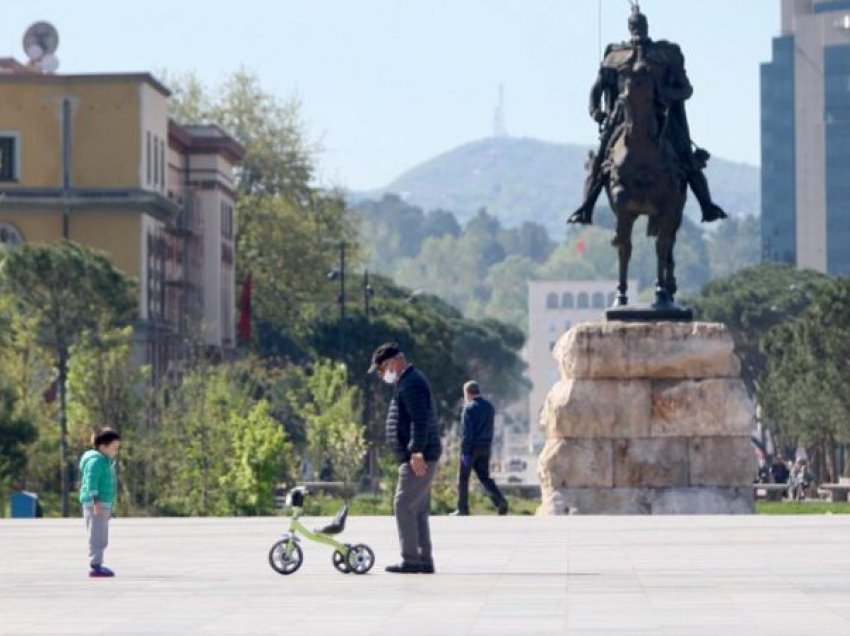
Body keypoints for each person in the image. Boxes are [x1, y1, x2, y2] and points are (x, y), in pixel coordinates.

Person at [568, 4, 727, 226]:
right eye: (634, 25)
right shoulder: (615, 55)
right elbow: (597, 88)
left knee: (687, 158)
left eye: (640, 25)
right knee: (600, 160)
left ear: (646, 26)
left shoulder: (666, 53)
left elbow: (686, 89)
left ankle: (707, 205)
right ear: (629, 27)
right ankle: (586, 208)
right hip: (622, 117)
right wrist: (596, 112)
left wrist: (664, 94)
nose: (637, 29)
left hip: (662, 116)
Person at [369, 342, 441, 574]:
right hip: (419, 454)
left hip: (419, 456)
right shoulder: (409, 381)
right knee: (417, 508)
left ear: (394, 361)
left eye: (381, 369)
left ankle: (411, 559)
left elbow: (420, 420)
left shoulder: (411, 383)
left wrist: (416, 451)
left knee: (402, 505)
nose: (381, 375)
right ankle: (423, 559)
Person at [451, 381, 508, 516]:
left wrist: (465, 452)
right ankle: (500, 501)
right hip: (485, 447)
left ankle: (462, 509)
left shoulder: (469, 408)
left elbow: (466, 433)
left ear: (467, 393)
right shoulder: (489, 407)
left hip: (471, 448)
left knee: (463, 478)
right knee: (484, 477)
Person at [78, 428, 121, 578]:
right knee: (96, 535)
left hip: (104, 504)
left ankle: (98, 563)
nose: (116, 451)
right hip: (95, 504)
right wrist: (96, 501)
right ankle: (95, 566)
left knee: (102, 535)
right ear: (103, 447)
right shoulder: (96, 462)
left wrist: (110, 508)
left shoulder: (106, 462)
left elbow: (109, 487)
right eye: (114, 448)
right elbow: (91, 482)